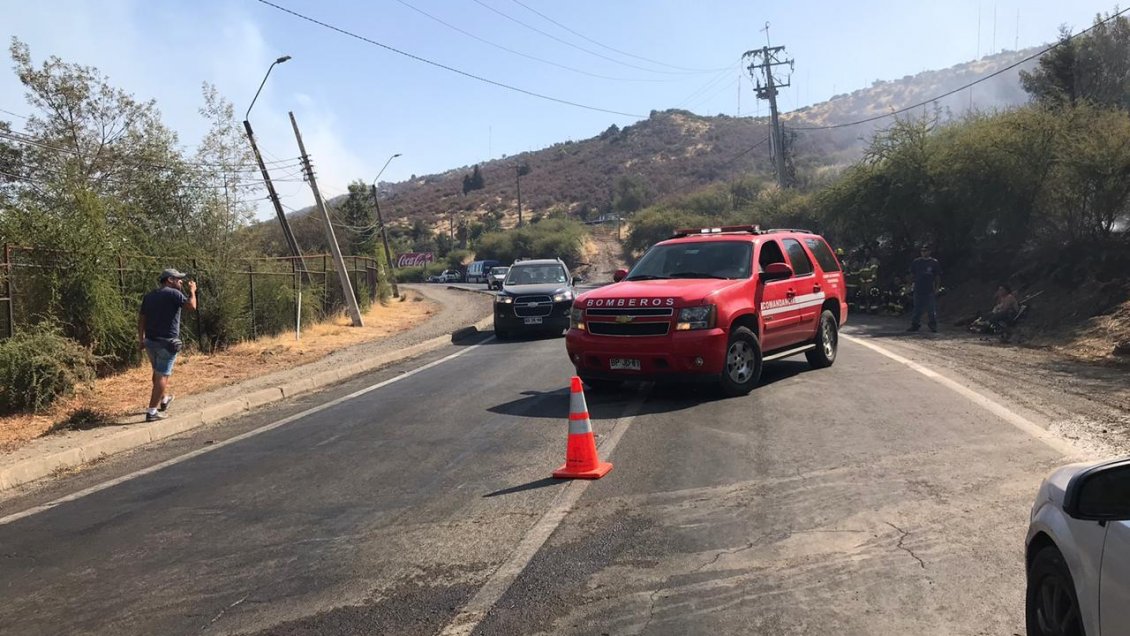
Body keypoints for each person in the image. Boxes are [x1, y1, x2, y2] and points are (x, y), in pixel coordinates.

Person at [138, 268, 197, 422]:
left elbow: (142, 319)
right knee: (163, 375)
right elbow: (191, 306)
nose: (181, 282)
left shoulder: (149, 296)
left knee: (157, 373)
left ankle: (163, 399)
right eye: (178, 279)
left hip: (150, 342)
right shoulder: (173, 294)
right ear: (169, 280)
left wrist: (141, 339)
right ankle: (151, 412)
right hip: (167, 343)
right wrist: (192, 291)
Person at [907, 245, 942, 332]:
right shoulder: (916, 262)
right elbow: (911, 275)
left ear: (929, 252)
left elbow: (937, 276)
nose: (924, 252)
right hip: (918, 289)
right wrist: (909, 285)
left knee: (931, 309)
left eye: (926, 251)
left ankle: (933, 325)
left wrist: (937, 287)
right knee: (917, 309)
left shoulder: (934, 262)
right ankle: (915, 325)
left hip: (929, 289)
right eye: (922, 251)